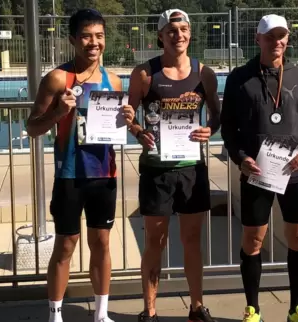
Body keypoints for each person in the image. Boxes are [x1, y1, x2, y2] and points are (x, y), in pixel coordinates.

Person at [220, 14, 298, 322]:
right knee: (253, 240)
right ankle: (253, 309)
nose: (276, 41)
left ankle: (296, 309)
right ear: (258, 38)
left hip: (295, 172)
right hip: (258, 173)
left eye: (282, 36)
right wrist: (241, 158)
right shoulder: (239, 78)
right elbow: (228, 129)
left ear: (287, 39)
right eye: (270, 36)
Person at [122, 8, 221, 322]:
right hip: (156, 170)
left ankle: (196, 306)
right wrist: (138, 131)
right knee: (155, 241)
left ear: (190, 33)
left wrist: (210, 129)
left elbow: (216, 115)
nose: (178, 35)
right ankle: (150, 310)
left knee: (191, 241)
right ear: (161, 36)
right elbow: (128, 115)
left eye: (183, 29)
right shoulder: (144, 73)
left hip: (192, 168)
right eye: (172, 31)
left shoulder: (204, 73)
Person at [26, 9, 122, 322]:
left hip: (104, 174)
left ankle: (101, 314)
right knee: (65, 245)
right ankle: (55, 315)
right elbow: (32, 128)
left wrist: (130, 122)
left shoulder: (114, 80)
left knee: (102, 243)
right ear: (72, 39)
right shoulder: (57, 78)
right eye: (86, 36)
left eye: (99, 36)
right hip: (69, 175)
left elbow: (119, 129)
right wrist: (58, 113)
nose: (93, 43)